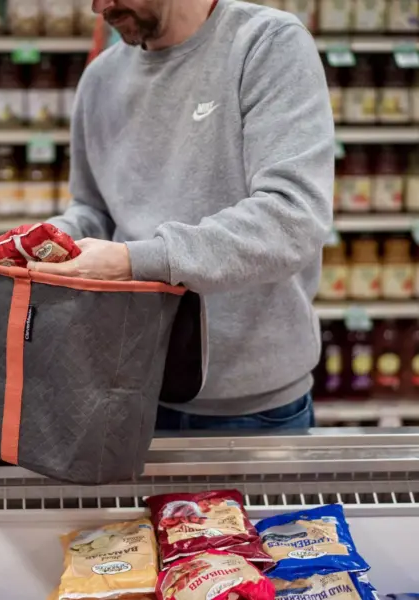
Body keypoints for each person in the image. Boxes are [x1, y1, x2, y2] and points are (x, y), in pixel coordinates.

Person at [29, 0, 335, 432]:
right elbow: (93, 208)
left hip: (251, 409)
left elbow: (291, 220)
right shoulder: (101, 78)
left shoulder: (265, 44)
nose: (99, 7)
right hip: (123, 388)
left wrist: (133, 261)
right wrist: (49, 238)